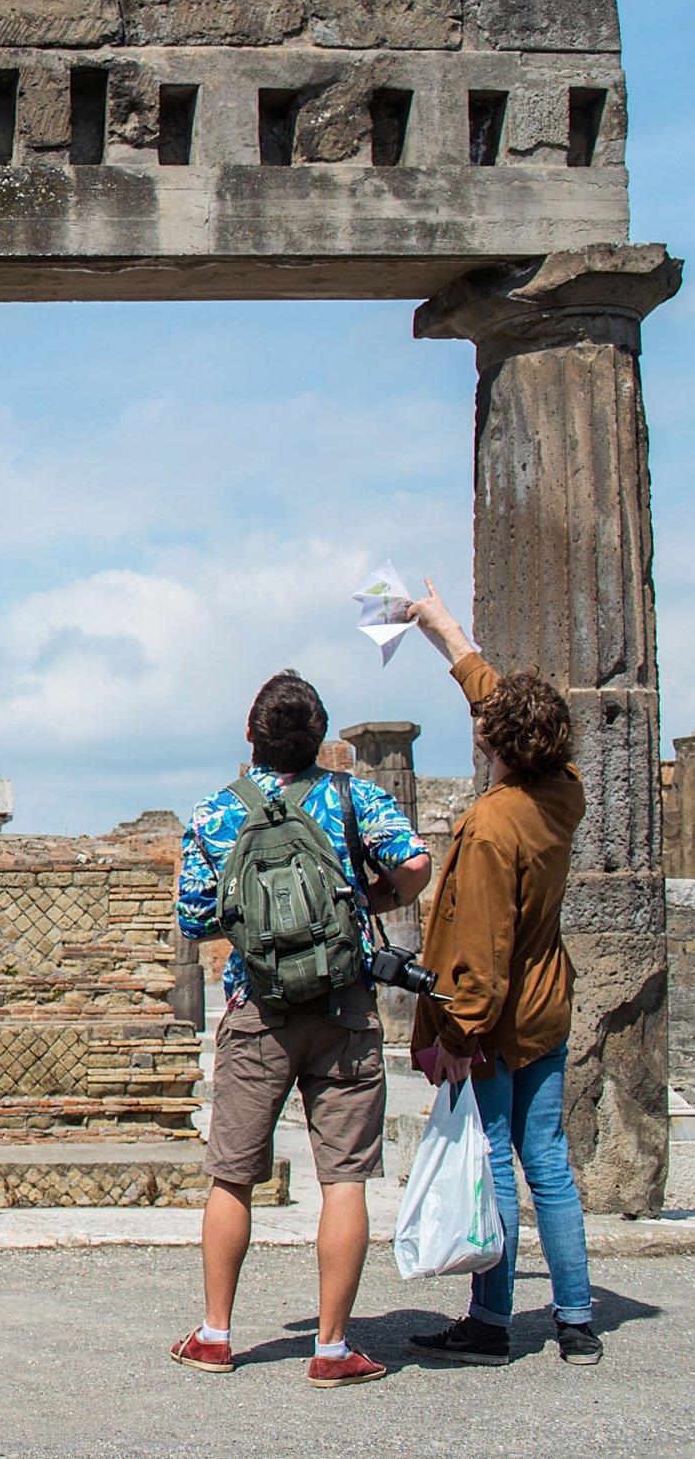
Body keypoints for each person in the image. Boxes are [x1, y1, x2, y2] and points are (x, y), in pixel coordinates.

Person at [170, 669, 431, 1386]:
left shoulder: (217, 813)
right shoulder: (355, 796)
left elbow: (195, 919)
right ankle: (332, 1347)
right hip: (344, 1008)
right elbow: (415, 864)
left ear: (250, 737)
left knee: (232, 1176)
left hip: (258, 1010)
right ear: (321, 740)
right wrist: (370, 896)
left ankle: (217, 1334)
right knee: (344, 1179)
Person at [402, 581, 602, 1367]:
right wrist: (444, 632)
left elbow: (479, 956)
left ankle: (490, 1321)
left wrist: (459, 1034)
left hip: (496, 1018)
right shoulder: (565, 790)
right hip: (549, 1000)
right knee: (547, 1159)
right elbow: (508, 708)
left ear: (494, 745)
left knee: (490, 1158)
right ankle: (577, 1318)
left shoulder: (490, 826)